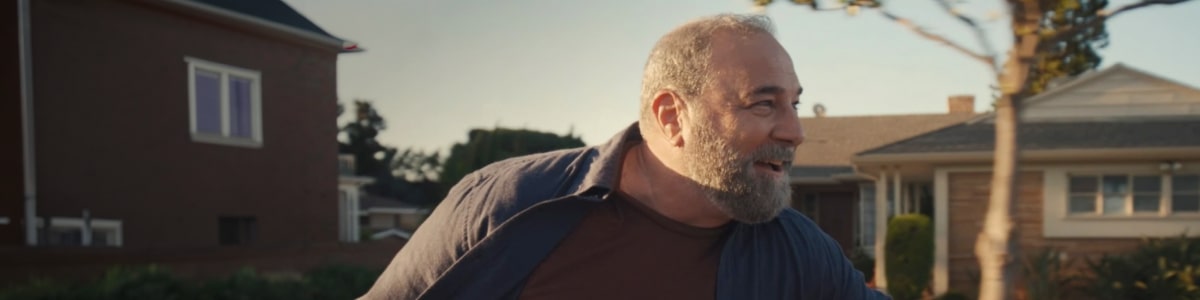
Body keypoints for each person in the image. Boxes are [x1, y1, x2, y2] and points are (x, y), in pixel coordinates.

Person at [360, 13, 889, 300]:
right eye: (764, 103)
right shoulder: (506, 204)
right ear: (670, 115)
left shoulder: (797, 252)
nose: (795, 131)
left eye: (794, 104)